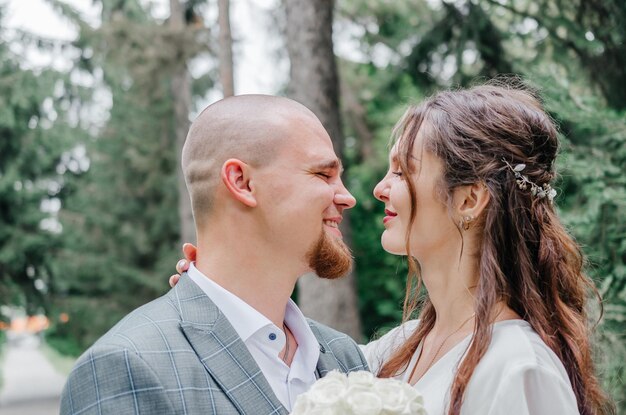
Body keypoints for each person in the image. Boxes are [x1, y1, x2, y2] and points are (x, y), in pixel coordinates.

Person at [173, 83, 613, 414]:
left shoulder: (520, 369)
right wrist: (222, 297)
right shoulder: (387, 354)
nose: (380, 189)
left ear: (469, 200)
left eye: (403, 172)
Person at [60, 95, 369, 415]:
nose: (347, 197)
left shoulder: (345, 357)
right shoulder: (127, 367)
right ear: (242, 182)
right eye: (323, 175)